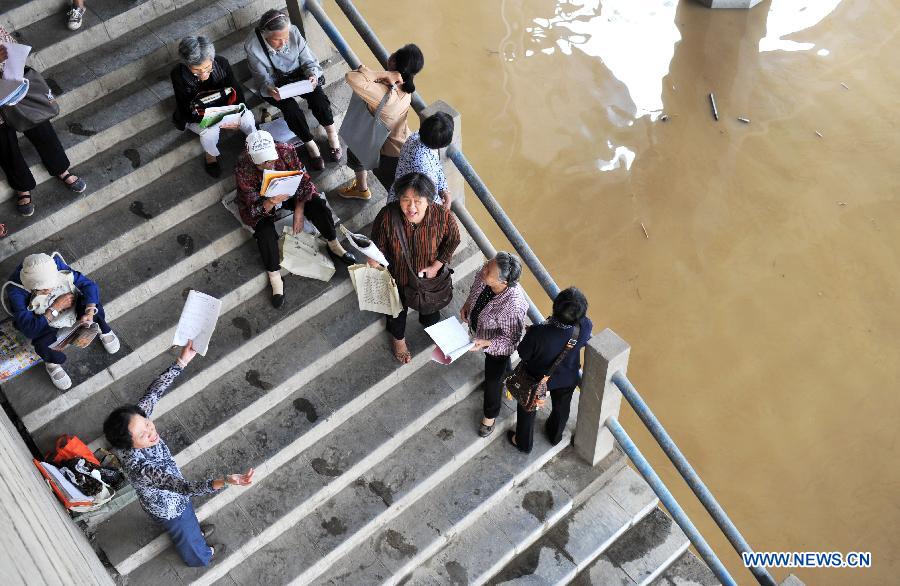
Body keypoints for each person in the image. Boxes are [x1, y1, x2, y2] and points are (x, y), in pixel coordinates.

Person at [103, 341, 255, 567]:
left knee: (188, 521)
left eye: (147, 423)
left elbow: (154, 392)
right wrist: (224, 481)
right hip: (168, 505)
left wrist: (182, 361)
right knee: (184, 530)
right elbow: (184, 488)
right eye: (144, 435)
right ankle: (202, 556)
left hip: (172, 494)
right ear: (129, 443)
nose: (151, 431)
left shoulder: (133, 421)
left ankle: (196, 533)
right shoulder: (140, 467)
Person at [235, 130, 356, 308]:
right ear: (253, 159)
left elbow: (304, 181)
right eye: (263, 163)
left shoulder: (285, 150)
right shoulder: (244, 169)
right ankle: (274, 276)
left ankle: (333, 242)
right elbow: (253, 208)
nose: (269, 165)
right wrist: (271, 202)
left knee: (317, 204)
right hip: (263, 203)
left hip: (288, 193)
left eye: (271, 159)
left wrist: (299, 211)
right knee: (263, 231)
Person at [369, 172, 460, 363]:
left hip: (428, 279)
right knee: (396, 312)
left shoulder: (442, 216)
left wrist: (437, 265)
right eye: (405, 200)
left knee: (430, 311)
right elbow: (378, 246)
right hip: (397, 277)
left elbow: (453, 240)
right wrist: (374, 259)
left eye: (417, 201)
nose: (411, 207)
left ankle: (430, 326)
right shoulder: (387, 216)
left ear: (428, 200)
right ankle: (399, 340)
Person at [0, 26, 87, 217]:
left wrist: (7, 53)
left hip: (13, 88)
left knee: (40, 127)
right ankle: (22, 186)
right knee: (4, 144)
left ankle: (60, 169)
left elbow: (10, 44)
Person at [5, 252, 119, 391]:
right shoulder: (16, 290)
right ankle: (52, 363)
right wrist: (55, 308)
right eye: (46, 289)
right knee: (42, 342)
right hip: (45, 319)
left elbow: (88, 285)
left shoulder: (55, 264)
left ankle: (101, 329)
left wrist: (89, 311)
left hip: (71, 305)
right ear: (33, 287)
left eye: (52, 284)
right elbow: (29, 328)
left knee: (93, 304)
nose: (51, 289)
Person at [245, 9, 341, 172]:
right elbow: (262, 79)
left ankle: (332, 135)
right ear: (265, 35)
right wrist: (270, 89)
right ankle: (310, 145)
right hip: (275, 82)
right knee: (290, 108)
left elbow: (308, 61)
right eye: (277, 40)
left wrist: (312, 75)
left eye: (286, 37)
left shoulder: (294, 32)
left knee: (318, 97)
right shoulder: (252, 47)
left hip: (299, 74)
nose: (283, 43)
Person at [509, 287, 593, 453]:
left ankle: (523, 443)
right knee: (562, 407)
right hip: (567, 376)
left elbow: (523, 354)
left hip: (536, 379)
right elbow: (582, 343)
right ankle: (554, 436)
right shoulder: (585, 326)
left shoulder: (538, 332)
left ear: (555, 307)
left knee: (527, 408)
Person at [339, 44, 424, 201]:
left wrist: (385, 74)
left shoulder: (385, 93)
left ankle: (364, 192)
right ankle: (361, 189)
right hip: (397, 141)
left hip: (386, 151)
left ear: (393, 61)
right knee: (355, 152)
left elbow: (351, 77)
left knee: (394, 193)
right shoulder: (406, 88)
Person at [460, 253, 528, 438]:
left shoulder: (513, 306)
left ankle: (490, 416)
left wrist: (487, 343)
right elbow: (476, 287)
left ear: (504, 282)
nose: (483, 270)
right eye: (486, 265)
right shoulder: (485, 275)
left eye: (488, 270)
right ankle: (507, 373)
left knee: (493, 381)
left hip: (496, 345)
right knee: (500, 372)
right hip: (480, 331)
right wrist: (468, 304)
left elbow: (510, 341)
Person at [171, 36, 256, 178]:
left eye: (207, 67)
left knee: (247, 116)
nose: (203, 74)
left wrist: (233, 115)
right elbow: (185, 106)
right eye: (197, 70)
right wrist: (219, 121)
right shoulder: (178, 75)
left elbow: (237, 92)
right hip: (197, 114)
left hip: (224, 107)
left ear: (212, 59)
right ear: (187, 64)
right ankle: (211, 155)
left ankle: (254, 142)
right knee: (209, 131)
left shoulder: (221, 63)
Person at [388, 111, 454, 209]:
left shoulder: (415, 136)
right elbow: (430, 198)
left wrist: (444, 189)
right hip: (407, 208)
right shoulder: (424, 167)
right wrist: (444, 208)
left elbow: (436, 167)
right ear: (443, 143)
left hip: (403, 194)